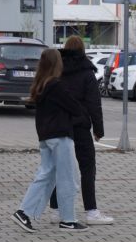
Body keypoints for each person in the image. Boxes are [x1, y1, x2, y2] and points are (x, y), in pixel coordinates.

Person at [11, 48, 87, 233]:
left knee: (46, 175)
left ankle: (24, 212)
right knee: (68, 178)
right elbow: (76, 108)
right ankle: (68, 220)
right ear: (57, 64)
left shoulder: (41, 84)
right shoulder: (56, 85)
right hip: (60, 136)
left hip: (46, 137)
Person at [48, 36, 111, 223]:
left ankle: (55, 210)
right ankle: (91, 211)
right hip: (81, 126)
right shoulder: (87, 73)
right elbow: (94, 104)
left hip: (59, 126)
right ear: (83, 50)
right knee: (87, 168)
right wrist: (99, 130)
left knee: (59, 168)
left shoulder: (56, 71)